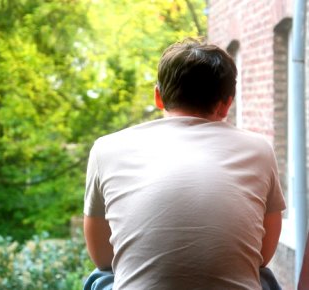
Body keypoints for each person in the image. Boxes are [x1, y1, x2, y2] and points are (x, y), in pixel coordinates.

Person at [83, 38, 286, 290]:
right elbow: (262, 255)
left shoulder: (106, 148)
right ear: (227, 104)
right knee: (262, 276)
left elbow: (102, 258)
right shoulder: (260, 149)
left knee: (100, 278)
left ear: (158, 96)